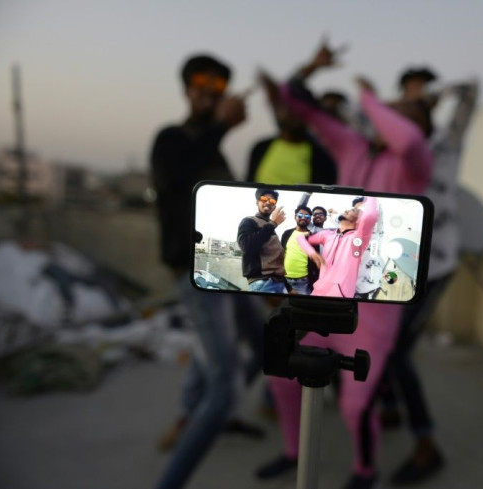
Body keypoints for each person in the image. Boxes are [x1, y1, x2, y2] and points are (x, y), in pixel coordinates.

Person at [256, 38, 433, 489]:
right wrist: (312, 68)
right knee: (281, 373)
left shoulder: (415, 164)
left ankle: (364, 471)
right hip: (328, 292)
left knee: (357, 405)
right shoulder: (353, 148)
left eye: (399, 114)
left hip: (375, 310)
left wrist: (372, 98)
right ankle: (293, 452)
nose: (388, 119)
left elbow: (409, 138)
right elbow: (299, 103)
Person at [150, 53, 266, 489]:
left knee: (260, 346)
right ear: (185, 88)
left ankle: (202, 416)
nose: (208, 88)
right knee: (226, 384)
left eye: (218, 84)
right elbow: (174, 177)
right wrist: (221, 125)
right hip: (196, 274)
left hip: (229, 269)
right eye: (200, 80)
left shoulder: (213, 151)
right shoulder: (172, 139)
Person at [379, 66, 481, 485]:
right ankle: (388, 403)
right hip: (396, 260)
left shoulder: (446, 141)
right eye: (408, 95)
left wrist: (435, 92)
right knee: (384, 340)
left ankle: (426, 444)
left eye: (422, 95)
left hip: (434, 264)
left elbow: (472, 90)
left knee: (397, 347)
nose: (414, 100)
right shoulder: (395, 145)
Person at [246, 71, 337, 186]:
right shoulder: (260, 148)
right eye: (284, 106)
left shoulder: (322, 160)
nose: (289, 113)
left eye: (296, 107)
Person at [298, 196, 379, 298]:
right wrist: (312, 253)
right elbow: (301, 238)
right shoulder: (327, 234)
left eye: (353, 210)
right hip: (317, 292)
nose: (346, 210)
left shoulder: (359, 239)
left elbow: (370, 216)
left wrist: (371, 193)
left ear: (359, 220)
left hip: (341, 297)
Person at [237, 188, 288, 293]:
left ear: (274, 206)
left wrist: (289, 288)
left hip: (278, 282)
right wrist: (273, 224)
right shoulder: (249, 221)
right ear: (257, 202)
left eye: (272, 201)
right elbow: (246, 246)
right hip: (262, 283)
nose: (268, 202)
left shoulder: (271, 227)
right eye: (264, 199)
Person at [280, 205, 318, 295]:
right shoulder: (287, 233)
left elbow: (314, 261)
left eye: (307, 216)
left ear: (310, 219)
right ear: (295, 217)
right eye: (300, 215)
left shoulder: (313, 236)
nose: (303, 218)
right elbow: (279, 255)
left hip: (304, 283)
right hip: (285, 281)